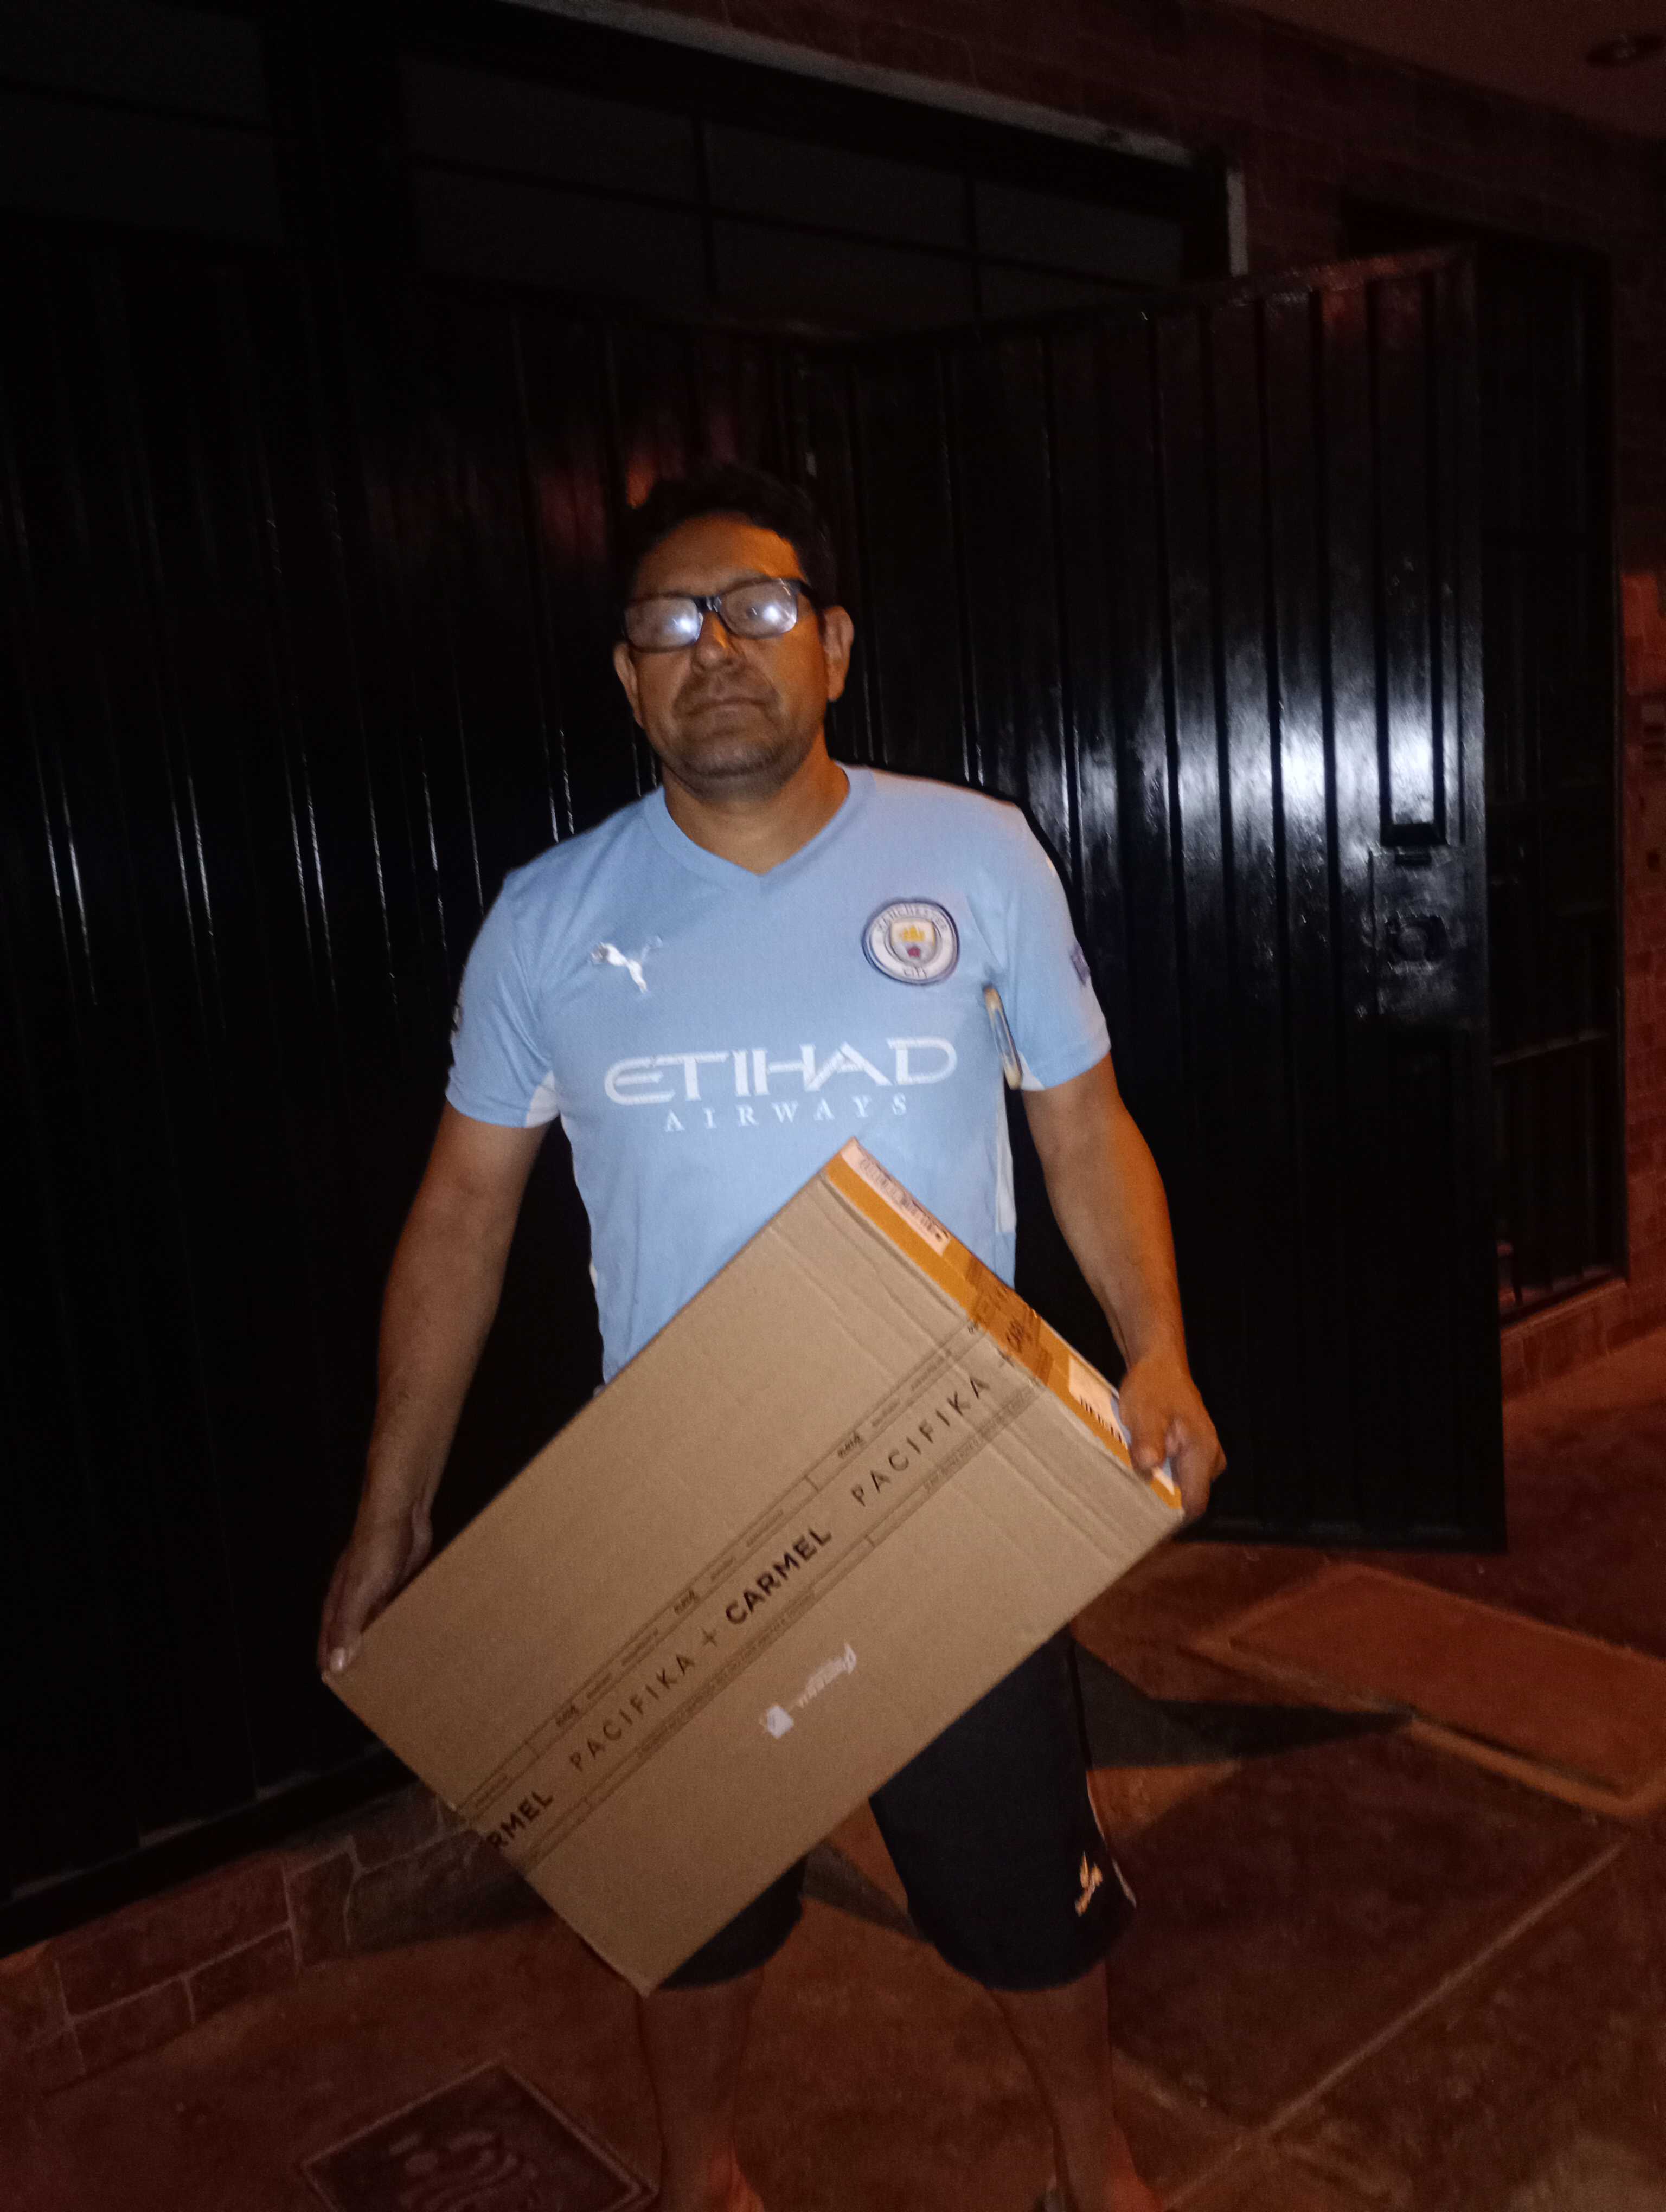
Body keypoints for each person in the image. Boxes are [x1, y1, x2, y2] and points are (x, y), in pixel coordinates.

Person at [318, 462, 1224, 2212]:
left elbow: (1084, 1128)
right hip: (678, 1497)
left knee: (1019, 1887)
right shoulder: (550, 920)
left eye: (757, 608)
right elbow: (461, 1218)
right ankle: (700, 2171)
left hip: (943, 1474)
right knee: (685, 1899)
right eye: (670, 623)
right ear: (627, 677)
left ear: (834, 646)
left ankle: (1087, 2157)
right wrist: (392, 1505)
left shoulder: (974, 855)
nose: (715, 648)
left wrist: (1158, 1347)